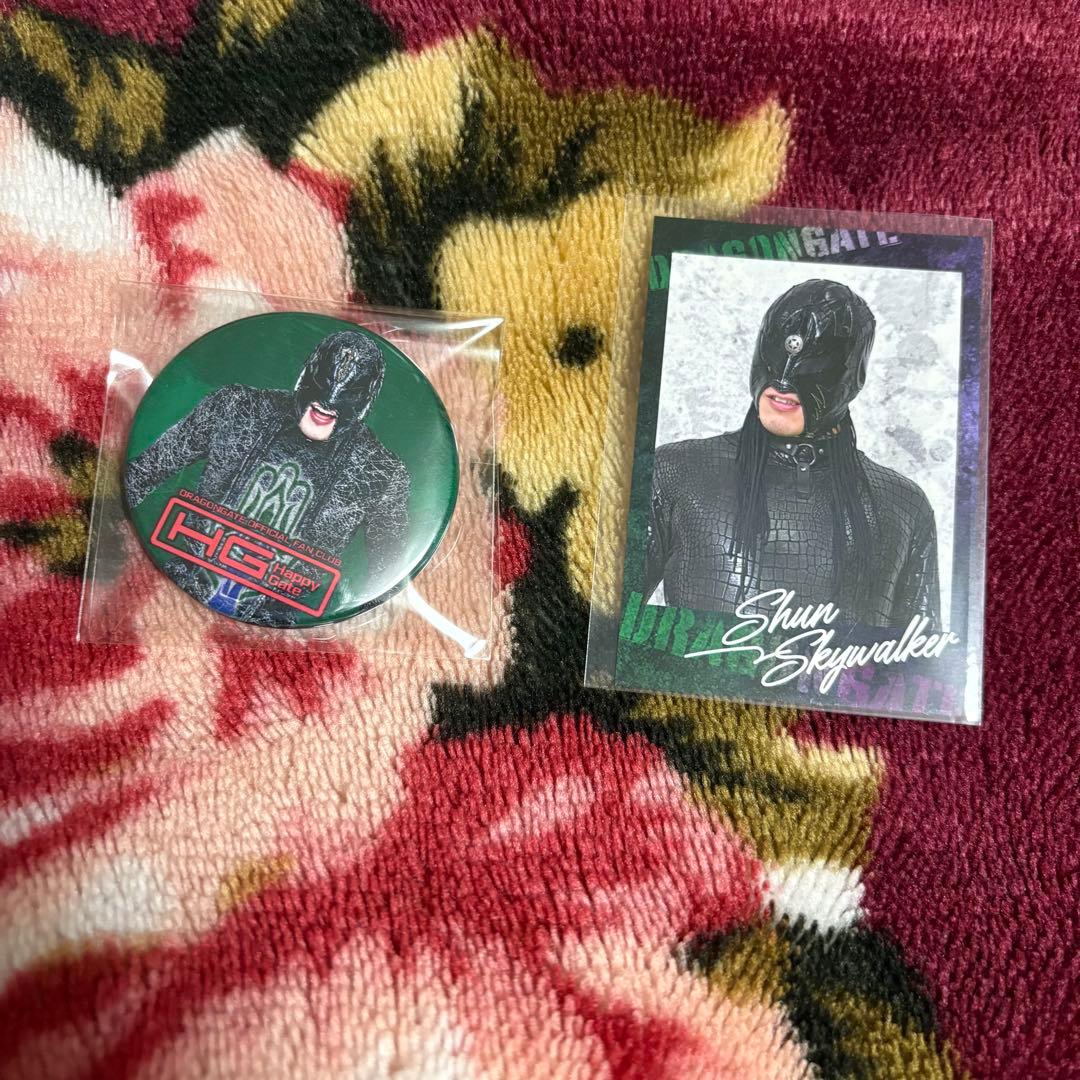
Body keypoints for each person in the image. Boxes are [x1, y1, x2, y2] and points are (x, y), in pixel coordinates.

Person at [645, 279, 940, 628]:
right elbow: (603, 625)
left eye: (821, 363)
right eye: (776, 355)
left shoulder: (903, 504)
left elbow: (921, 656)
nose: (784, 380)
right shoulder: (674, 473)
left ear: (854, 377)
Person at [125, 329, 410, 625]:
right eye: (322, 383)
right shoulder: (236, 408)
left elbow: (391, 575)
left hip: (281, 621)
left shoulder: (381, 472)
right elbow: (143, 472)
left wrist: (355, 624)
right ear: (305, 374)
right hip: (176, 588)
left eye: (350, 393)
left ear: (366, 400)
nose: (329, 402)